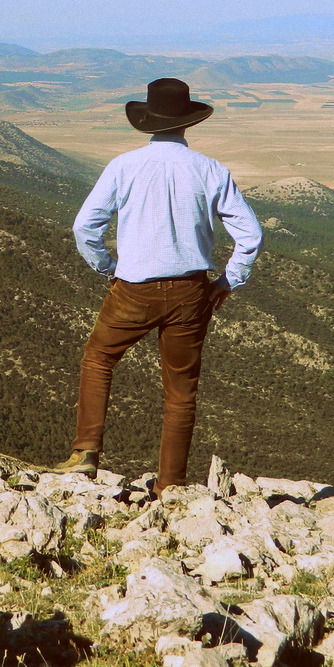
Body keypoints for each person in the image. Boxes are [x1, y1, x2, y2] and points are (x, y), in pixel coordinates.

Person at [51, 77, 262, 493]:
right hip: (191, 291)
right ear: (188, 124)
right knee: (181, 392)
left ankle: (86, 452)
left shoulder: (123, 166)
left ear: (148, 122)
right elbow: (251, 235)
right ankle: (170, 487)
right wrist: (227, 282)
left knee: (98, 358)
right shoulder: (210, 169)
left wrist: (108, 266)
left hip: (133, 289)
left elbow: (84, 227)